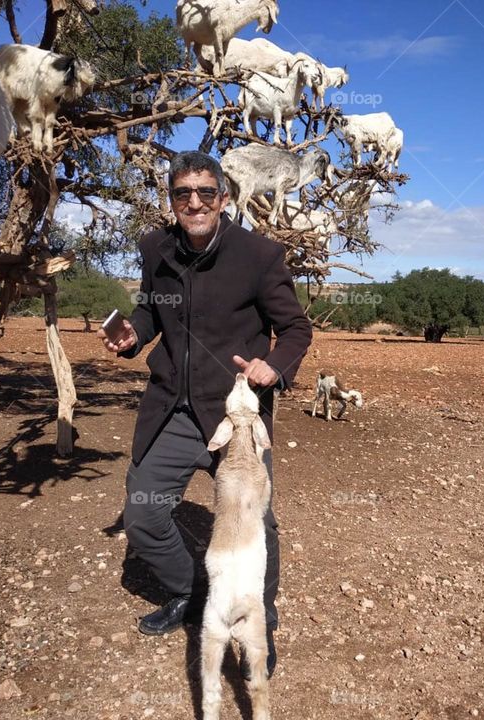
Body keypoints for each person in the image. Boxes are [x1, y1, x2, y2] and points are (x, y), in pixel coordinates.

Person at [98, 150, 312, 677]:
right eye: (182, 193)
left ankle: (256, 616)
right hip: (170, 405)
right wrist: (132, 336)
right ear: (171, 199)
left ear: (224, 197)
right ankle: (191, 595)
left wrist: (273, 368)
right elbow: (150, 311)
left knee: (251, 523)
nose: (194, 202)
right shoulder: (156, 248)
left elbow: (297, 330)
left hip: (235, 415)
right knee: (145, 516)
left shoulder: (258, 256)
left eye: (206, 192)